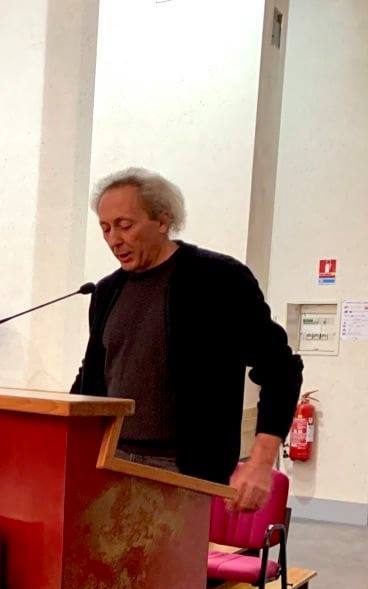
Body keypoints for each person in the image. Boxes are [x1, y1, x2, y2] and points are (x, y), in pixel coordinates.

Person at [71, 167, 303, 512]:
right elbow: (92, 378)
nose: (113, 239)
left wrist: (260, 462)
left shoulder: (218, 279)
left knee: (171, 569)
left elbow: (281, 368)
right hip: (110, 461)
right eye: (105, 228)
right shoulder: (107, 291)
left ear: (163, 221)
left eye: (125, 225)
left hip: (183, 470)